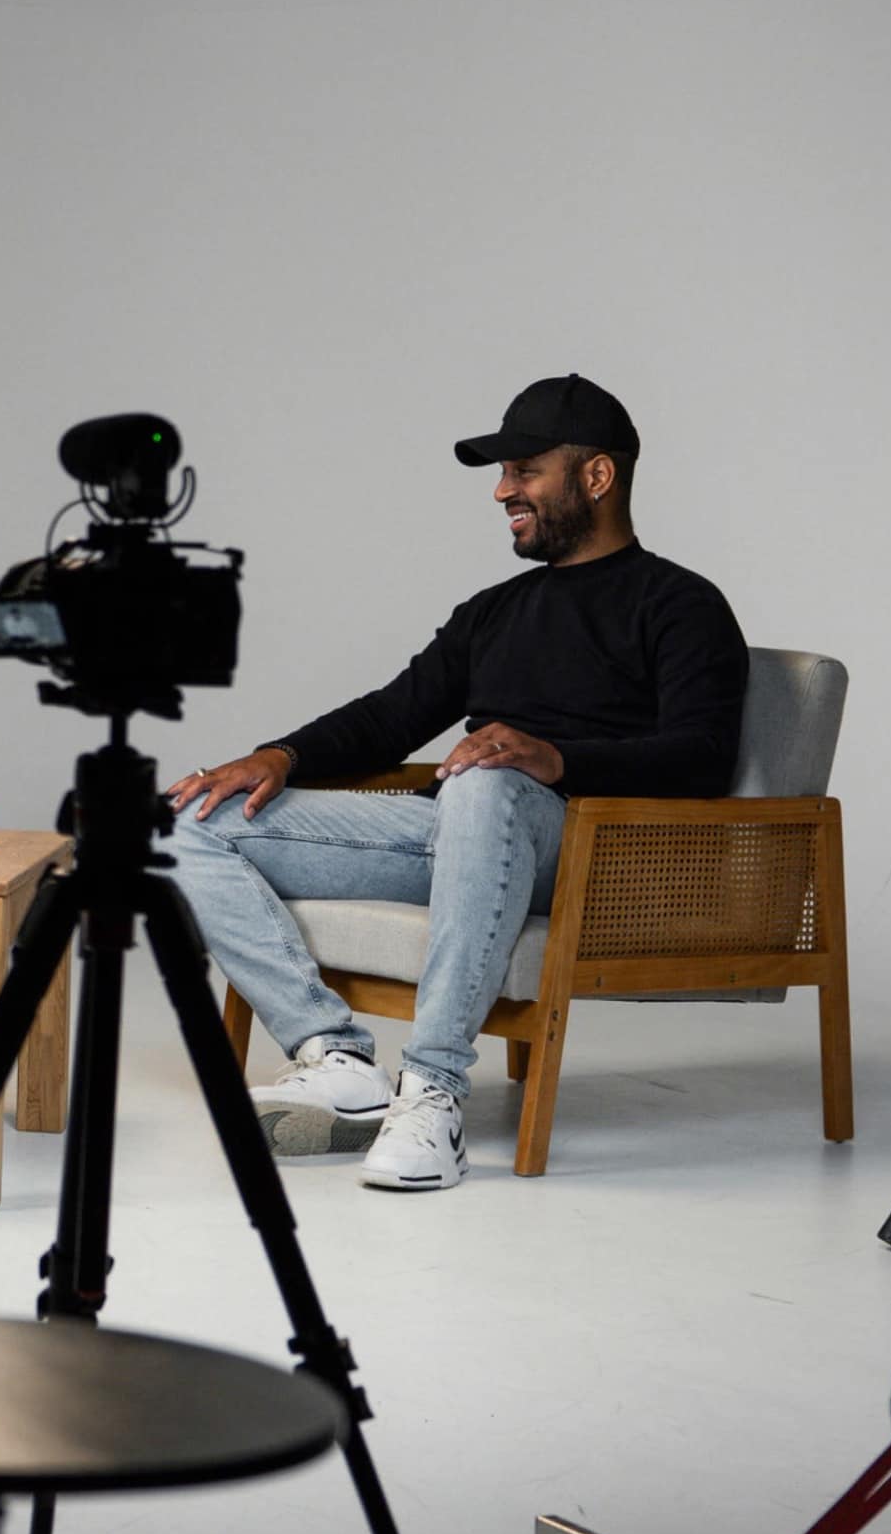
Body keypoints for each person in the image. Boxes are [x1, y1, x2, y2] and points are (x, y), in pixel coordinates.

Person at [160, 377, 748, 1192]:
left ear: (598, 477)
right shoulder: (492, 611)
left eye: (525, 469)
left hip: (596, 853)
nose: (503, 489)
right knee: (183, 819)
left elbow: (703, 755)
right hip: (452, 839)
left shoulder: (681, 604)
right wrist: (279, 756)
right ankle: (335, 1055)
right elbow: (390, 716)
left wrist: (556, 759)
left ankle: (432, 1091)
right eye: (503, 472)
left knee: (485, 779)